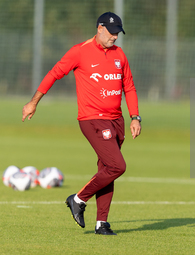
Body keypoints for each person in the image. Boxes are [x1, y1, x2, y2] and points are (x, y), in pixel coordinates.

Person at [22, 12, 141, 235]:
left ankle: (102, 223)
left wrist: (135, 117)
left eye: (118, 33)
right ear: (100, 28)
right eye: (112, 32)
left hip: (117, 120)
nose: (115, 37)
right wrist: (33, 102)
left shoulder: (120, 55)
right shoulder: (80, 51)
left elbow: (130, 87)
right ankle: (78, 199)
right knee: (117, 166)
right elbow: (54, 73)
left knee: (107, 169)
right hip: (93, 119)